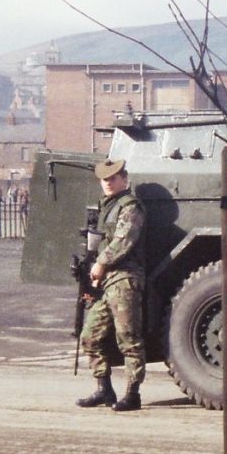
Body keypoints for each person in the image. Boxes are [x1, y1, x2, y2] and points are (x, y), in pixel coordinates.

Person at [76, 158, 147, 413]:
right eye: (105, 179)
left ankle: (133, 394)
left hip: (125, 278)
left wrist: (101, 263)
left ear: (124, 179)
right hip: (107, 282)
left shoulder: (130, 207)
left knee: (129, 337)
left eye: (113, 178)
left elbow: (124, 240)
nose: (108, 183)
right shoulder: (107, 205)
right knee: (90, 335)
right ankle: (104, 388)